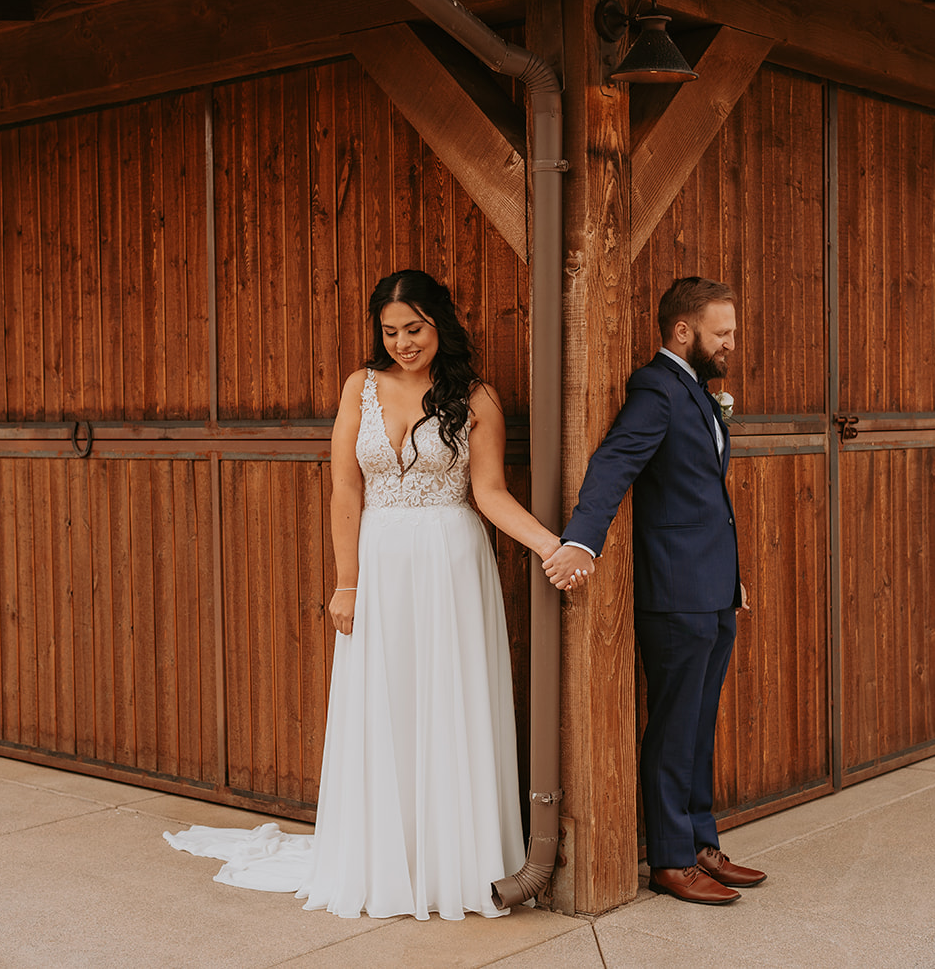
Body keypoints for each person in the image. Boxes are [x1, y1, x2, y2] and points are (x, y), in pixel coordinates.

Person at [166, 269, 564, 921]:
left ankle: (454, 863)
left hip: (453, 563)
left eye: (415, 328)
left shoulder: (476, 397)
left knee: (450, 700)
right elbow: (345, 489)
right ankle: (385, 858)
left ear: (440, 323)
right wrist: (345, 581)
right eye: (391, 331)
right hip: (380, 562)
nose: (403, 342)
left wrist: (549, 544)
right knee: (386, 703)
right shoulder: (362, 387)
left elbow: (489, 494)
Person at [541, 275, 765, 906]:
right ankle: (670, 859)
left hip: (714, 589)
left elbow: (709, 500)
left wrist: (732, 577)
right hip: (675, 595)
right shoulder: (656, 390)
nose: (730, 345)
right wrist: (582, 541)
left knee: (699, 725)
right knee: (672, 726)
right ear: (683, 331)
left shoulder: (697, 390)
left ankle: (700, 841)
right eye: (722, 334)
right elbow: (615, 463)